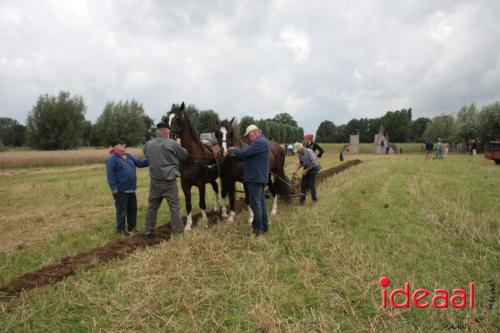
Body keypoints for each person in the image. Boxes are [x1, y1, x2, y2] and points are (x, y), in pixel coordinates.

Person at [143, 122, 188, 239]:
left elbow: (146, 155)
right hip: (169, 181)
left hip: (154, 181)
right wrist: (179, 144)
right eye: (168, 130)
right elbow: (184, 155)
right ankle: (178, 233)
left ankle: (148, 230)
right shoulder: (172, 143)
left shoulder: (148, 144)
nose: (169, 132)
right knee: (174, 206)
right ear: (165, 131)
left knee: (152, 206)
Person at [228, 124, 269, 236]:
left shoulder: (259, 143)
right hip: (259, 178)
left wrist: (234, 149)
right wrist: (238, 151)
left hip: (255, 178)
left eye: (249, 135)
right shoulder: (262, 142)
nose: (248, 138)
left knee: (256, 205)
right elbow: (246, 152)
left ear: (253, 133)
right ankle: (264, 228)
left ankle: (258, 230)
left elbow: (244, 152)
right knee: (261, 204)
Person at [106, 140, 149, 236]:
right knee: (122, 210)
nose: (124, 146)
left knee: (132, 209)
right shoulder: (112, 159)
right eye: (121, 145)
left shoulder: (129, 156)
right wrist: (113, 188)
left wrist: (152, 159)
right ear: (115, 147)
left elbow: (140, 163)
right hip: (120, 189)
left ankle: (132, 228)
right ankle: (120, 230)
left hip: (131, 188)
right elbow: (110, 174)